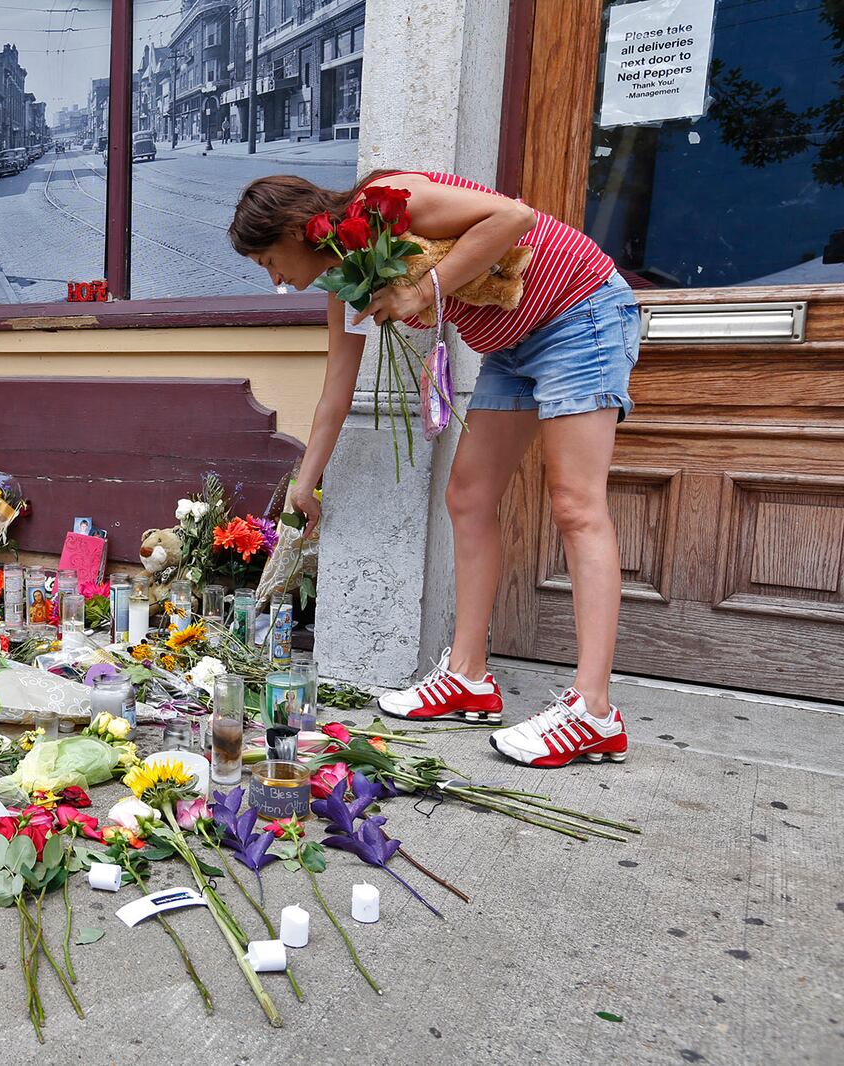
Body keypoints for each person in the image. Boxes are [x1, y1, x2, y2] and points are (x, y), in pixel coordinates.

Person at [229, 170, 639, 769]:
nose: (273, 278)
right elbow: (337, 390)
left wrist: (421, 294)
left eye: (269, 259)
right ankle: (469, 677)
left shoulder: (386, 203)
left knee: (576, 505)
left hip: (581, 316)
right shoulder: (345, 279)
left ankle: (595, 713)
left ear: (295, 229)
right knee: (468, 497)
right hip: (511, 344)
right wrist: (305, 482)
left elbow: (514, 218)